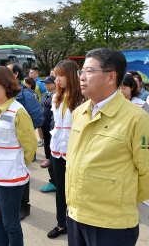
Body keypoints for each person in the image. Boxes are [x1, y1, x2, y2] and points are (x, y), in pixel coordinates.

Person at [67, 48, 149, 246]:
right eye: (81, 72)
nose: (82, 77)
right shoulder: (80, 112)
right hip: (76, 214)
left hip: (112, 222)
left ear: (111, 77)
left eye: (89, 71)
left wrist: (120, 197)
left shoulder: (138, 119)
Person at [0, 66, 37, 246]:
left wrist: (18, 164)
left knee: (11, 223)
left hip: (10, 179)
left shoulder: (17, 111)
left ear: (6, 84)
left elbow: (30, 145)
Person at [47, 60, 85, 239]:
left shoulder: (83, 98)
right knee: (61, 189)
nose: (57, 79)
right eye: (56, 75)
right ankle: (61, 224)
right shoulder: (56, 96)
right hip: (57, 149)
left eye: (61, 75)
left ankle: (78, 224)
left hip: (75, 150)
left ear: (70, 75)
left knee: (76, 189)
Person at [7, 62, 43, 221]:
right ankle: (13, 203)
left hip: (20, 144)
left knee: (21, 174)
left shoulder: (26, 94)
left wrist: (24, 133)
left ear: (15, 74)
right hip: (7, 143)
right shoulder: (6, 93)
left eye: (7, 71)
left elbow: (38, 118)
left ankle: (24, 206)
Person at [39, 76, 57, 193]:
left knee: (52, 148)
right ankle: (47, 159)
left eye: (49, 83)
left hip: (53, 127)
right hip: (44, 124)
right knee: (47, 144)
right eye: (45, 83)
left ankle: (54, 181)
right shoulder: (45, 94)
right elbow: (41, 107)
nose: (46, 85)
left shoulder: (57, 95)